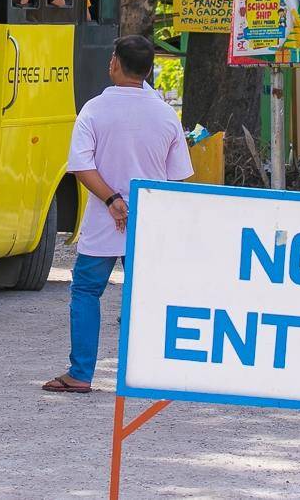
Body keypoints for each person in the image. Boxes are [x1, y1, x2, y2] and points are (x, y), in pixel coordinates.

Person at [42, 35, 192, 394]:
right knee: (147, 295)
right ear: (150, 70)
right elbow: (180, 178)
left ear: (114, 63)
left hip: (102, 221)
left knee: (86, 292)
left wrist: (113, 201)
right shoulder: (166, 115)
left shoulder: (94, 110)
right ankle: (151, 375)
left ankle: (80, 373)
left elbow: (81, 167)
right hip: (150, 222)